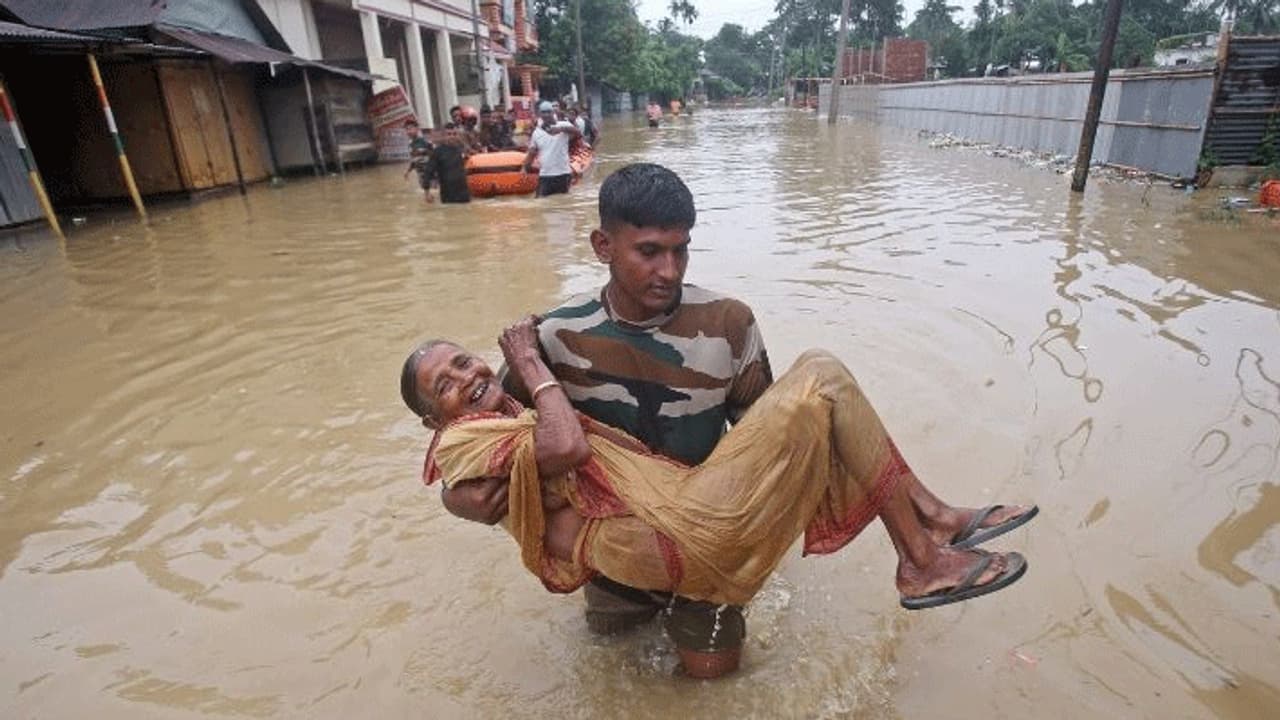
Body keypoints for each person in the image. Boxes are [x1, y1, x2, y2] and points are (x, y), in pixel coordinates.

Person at [430, 163, 1038, 677]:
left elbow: (771, 440)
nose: (668, 270)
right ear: (601, 246)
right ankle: (929, 530)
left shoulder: (728, 323)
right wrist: (456, 503)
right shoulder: (552, 338)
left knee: (716, 690)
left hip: (708, 540)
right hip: (613, 565)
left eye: (681, 248)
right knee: (613, 678)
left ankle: (925, 536)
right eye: (648, 252)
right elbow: (481, 437)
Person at [522, 100, 581, 198]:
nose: (546, 115)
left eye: (549, 112)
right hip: (545, 175)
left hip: (563, 174)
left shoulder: (564, 125)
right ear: (539, 114)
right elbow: (532, 153)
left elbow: (578, 133)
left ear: (553, 112)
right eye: (543, 112)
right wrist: (524, 168)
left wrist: (560, 129)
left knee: (562, 202)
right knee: (540, 202)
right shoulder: (537, 132)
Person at [420, 130, 471, 204]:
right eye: (449, 134)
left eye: (454, 134)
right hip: (448, 194)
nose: (452, 136)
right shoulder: (438, 152)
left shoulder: (461, 149)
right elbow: (428, 171)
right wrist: (427, 192)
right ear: (444, 136)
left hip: (463, 193)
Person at [401, 118, 435, 203]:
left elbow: (435, 154)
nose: (409, 131)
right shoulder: (410, 144)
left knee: (433, 191)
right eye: (407, 129)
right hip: (420, 173)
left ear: (417, 129)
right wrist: (408, 171)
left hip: (430, 172)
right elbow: (413, 160)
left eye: (411, 128)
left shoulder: (425, 142)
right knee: (426, 195)